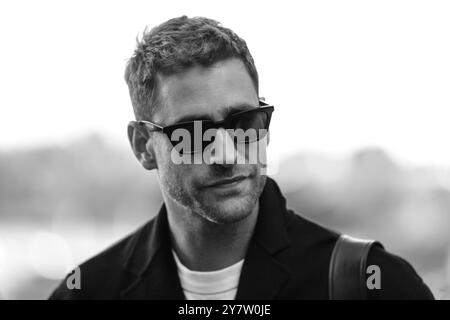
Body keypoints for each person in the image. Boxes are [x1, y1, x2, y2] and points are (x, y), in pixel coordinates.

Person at [49, 16, 433, 300]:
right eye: (193, 133)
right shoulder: (86, 293)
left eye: (245, 122)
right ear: (143, 146)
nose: (227, 153)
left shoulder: (372, 284)